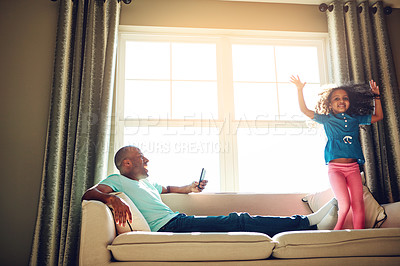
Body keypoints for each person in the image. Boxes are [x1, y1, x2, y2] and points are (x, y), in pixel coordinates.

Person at [82, 145, 338, 236]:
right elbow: (88, 193)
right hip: (168, 226)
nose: (147, 160)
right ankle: (309, 223)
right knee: (239, 220)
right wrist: (111, 201)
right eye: (141, 157)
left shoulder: (146, 182)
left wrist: (191, 187)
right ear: (126, 163)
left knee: (239, 219)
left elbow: (169, 188)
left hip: (177, 221)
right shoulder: (116, 179)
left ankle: (308, 223)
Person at [290, 76, 384, 230]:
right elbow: (305, 110)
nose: (341, 101)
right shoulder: (326, 120)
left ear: (349, 102)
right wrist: (300, 90)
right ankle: (336, 232)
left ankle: (359, 236)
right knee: (345, 203)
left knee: (358, 203)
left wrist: (376, 96)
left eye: (345, 98)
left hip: (353, 168)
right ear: (329, 103)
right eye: (336, 98)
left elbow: (379, 116)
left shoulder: (355, 119)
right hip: (335, 169)